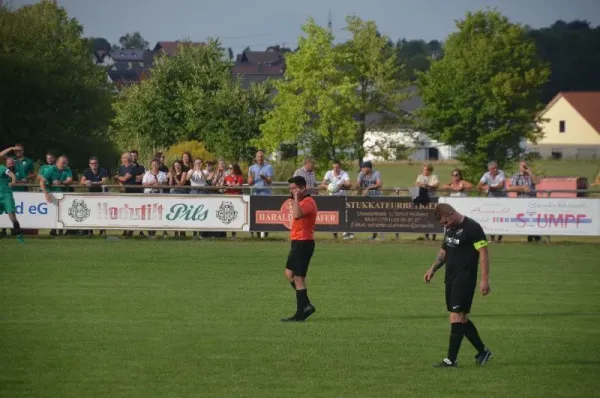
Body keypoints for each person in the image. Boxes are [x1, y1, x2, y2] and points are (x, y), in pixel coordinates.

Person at [423, 203, 492, 368]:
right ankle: (483, 352)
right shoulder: (450, 228)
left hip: (465, 277)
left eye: (445, 222)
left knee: (456, 317)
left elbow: (483, 253)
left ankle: (451, 360)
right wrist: (432, 269)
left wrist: (484, 279)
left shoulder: (473, 228)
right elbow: (444, 251)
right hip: (450, 277)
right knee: (459, 318)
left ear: (451, 214)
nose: (445, 226)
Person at [281, 176, 317, 322]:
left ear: (302, 188)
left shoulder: (308, 202)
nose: (291, 191)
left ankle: (300, 313)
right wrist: (296, 197)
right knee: (289, 274)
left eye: (294, 188)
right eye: (290, 189)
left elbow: (296, 214)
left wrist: (295, 198)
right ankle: (306, 304)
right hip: (297, 242)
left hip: (304, 243)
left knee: (298, 278)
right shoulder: (301, 201)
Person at [39, 155, 73, 236]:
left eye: (65, 163)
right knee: (54, 213)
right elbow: (41, 181)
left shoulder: (67, 169)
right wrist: (46, 194)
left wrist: (61, 182)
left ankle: (63, 230)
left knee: (64, 213)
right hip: (53, 194)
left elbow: (70, 180)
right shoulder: (51, 169)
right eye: (62, 163)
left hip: (64, 195)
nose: (64, 165)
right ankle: (53, 230)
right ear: (57, 163)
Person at [321, 160, 353, 240]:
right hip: (332, 198)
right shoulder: (328, 173)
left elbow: (349, 184)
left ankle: (346, 234)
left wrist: (341, 184)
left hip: (342, 197)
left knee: (345, 215)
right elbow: (322, 184)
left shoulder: (344, 174)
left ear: (340, 167)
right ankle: (335, 236)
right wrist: (329, 187)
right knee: (334, 216)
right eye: (334, 167)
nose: (335, 169)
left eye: (337, 167)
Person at [510, 161, 541, 242]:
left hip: (533, 201)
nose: (524, 167)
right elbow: (511, 188)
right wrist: (522, 188)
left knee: (533, 218)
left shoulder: (531, 175)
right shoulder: (516, 176)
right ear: (519, 167)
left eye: (525, 166)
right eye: (523, 166)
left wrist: (530, 172)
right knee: (526, 219)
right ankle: (532, 235)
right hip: (522, 201)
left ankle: (533, 235)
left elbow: (537, 182)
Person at [477, 161, 506, 243]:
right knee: (491, 217)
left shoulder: (501, 173)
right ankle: (492, 239)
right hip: (491, 198)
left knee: (502, 218)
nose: (495, 169)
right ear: (489, 169)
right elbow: (479, 185)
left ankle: (499, 239)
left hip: (502, 198)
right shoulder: (486, 175)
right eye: (492, 168)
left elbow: (501, 185)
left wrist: (490, 188)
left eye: (496, 167)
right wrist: (486, 187)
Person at [0, 148, 24, 243]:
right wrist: (11, 148)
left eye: (12, 162)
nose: (10, 163)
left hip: (6, 195)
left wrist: (13, 182)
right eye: (9, 162)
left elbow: (13, 176)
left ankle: (19, 235)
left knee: (12, 215)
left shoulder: (3, 168)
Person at [81, 156, 109, 236]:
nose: (94, 165)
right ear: (89, 164)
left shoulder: (103, 171)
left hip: (102, 195)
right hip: (91, 196)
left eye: (95, 163)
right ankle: (90, 231)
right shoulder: (87, 171)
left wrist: (93, 183)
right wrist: (86, 182)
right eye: (92, 163)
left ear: (98, 164)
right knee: (90, 213)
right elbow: (81, 181)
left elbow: (104, 181)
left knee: (102, 213)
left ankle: (102, 231)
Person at [248, 150, 274, 238]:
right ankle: (257, 232)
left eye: (261, 157)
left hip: (265, 194)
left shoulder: (268, 167)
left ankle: (265, 232)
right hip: (255, 194)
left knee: (265, 214)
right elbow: (249, 183)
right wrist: (252, 178)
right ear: (256, 158)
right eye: (258, 157)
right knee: (255, 214)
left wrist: (264, 178)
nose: (260, 158)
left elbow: (269, 181)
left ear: (264, 157)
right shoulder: (252, 168)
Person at [357, 161, 384, 240]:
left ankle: (381, 236)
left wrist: (367, 188)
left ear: (369, 168)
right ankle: (374, 235)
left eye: (363, 167)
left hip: (377, 197)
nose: (362, 169)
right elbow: (357, 183)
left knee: (377, 217)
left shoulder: (376, 173)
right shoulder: (361, 173)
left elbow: (379, 184)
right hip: (367, 199)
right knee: (368, 216)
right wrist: (358, 185)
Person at [142, 159, 169, 238]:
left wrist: (159, 184)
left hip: (159, 196)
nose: (154, 166)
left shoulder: (162, 174)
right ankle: (151, 233)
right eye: (153, 164)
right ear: (151, 165)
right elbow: (144, 184)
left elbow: (166, 184)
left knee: (160, 214)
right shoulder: (147, 174)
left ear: (159, 165)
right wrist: (152, 183)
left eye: (156, 164)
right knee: (150, 215)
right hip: (149, 195)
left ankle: (164, 232)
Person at [415, 163, 440, 241]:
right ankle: (426, 236)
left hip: (433, 199)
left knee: (434, 217)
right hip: (424, 199)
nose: (424, 171)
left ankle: (434, 236)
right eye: (423, 170)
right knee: (425, 216)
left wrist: (429, 186)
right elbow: (416, 183)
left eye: (425, 170)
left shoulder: (434, 177)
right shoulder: (420, 176)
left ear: (429, 171)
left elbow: (437, 185)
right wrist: (421, 184)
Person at [224, 163, 244, 239]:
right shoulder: (226, 177)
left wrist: (232, 186)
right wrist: (228, 186)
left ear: (235, 169)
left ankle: (233, 234)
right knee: (227, 216)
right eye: (228, 168)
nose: (229, 169)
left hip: (236, 198)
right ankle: (225, 234)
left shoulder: (239, 177)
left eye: (231, 168)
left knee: (234, 216)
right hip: (227, 198)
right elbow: (223, 186)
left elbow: (238, 185)